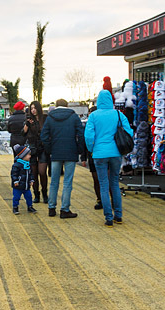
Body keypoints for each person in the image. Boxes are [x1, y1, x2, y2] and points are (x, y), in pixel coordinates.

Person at [85, 90, 133, 227]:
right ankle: (118, 215)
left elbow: (88, 136)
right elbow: (129, 132)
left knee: (103, 185)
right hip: (116, 153)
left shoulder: (93, 116)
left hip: (99, 154)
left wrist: (92, 149)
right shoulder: (118, 114)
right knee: (115, 184)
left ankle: (108, 218)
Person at [41, 99, 85, 219]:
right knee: (67, 182)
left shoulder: (50, 118)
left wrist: (50, 149)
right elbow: (81, 134)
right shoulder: (74, 117)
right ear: (67, 105)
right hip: (71, 152)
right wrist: (79, 149)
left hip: (55, 153)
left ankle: (51, 207)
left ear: (56, 106)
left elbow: (44, 136)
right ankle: (65, 209)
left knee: (54, 181)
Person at [24, 101, 49, 204]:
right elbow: (23, 133)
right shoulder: (29, 120)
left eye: (35, 108)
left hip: (43, 148)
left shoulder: (45, 118)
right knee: (33, 173)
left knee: (42, 172)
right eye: (31, 108)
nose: (33, 110)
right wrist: (27, 124)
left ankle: (44, 194)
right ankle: (36, 195)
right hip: (32, 148)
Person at [10, 144, 37, 215]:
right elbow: (14, 174)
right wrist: (15, 181)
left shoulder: (28, 164)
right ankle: (15, 207)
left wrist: (31, 180)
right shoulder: (16, 165)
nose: (30, 156)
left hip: (26, 185)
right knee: (16, 197)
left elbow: (31, 173)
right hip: (18, 185)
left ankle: (30, 206)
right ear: (23, 156)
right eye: (28, 155)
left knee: (29, 196)